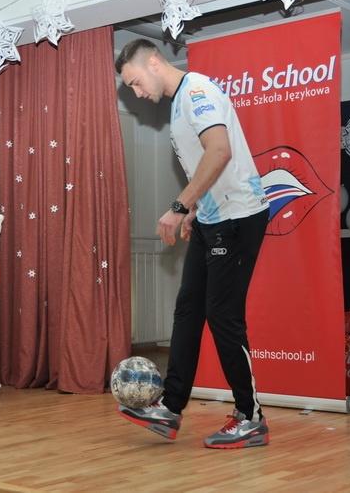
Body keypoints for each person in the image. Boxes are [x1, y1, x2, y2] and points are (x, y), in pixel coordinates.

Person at [115, 39, 270, 448]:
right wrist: (196, 211)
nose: (136, 93)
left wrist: (179, 205)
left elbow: (219, 151)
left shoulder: (197, 91)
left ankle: (251, 416)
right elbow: (210, 167)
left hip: (238, 218)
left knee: (223, 316)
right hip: (214, 219)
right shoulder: (180, 101)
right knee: (188, 310)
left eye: (135, 82)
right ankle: (170, 407)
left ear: (153, 62)